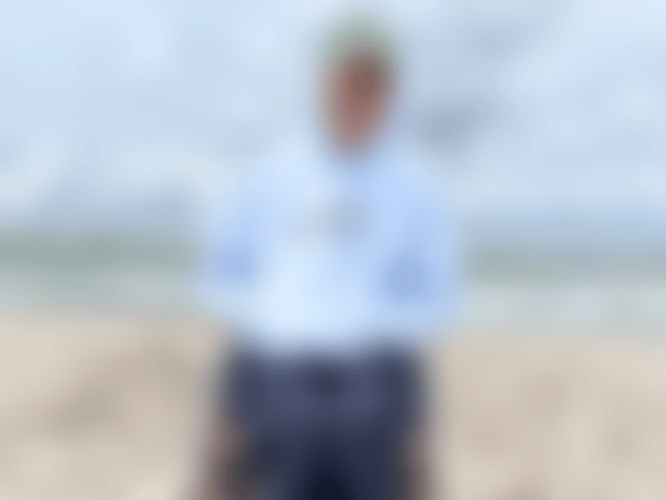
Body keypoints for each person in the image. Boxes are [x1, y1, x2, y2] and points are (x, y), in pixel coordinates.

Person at [192, 19, 457, 500]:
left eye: (371, 87)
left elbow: (429, 300)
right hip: (278, 377)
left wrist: (416, 431)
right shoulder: (267, 179)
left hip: (373, 381)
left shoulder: (415, 192)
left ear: (389, 96)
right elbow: (230, 286)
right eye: (347, 83)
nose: (357, 99)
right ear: (322, 85)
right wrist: (227, 412)